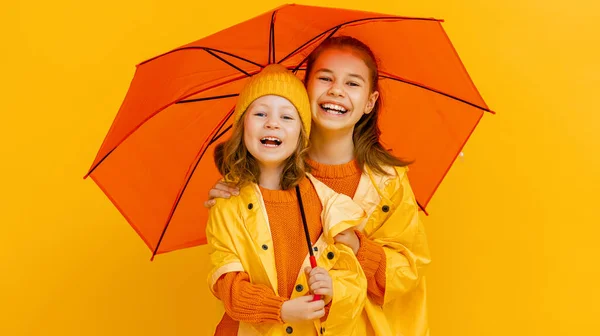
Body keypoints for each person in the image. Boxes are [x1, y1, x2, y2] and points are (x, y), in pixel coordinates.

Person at [206, 37, 432, 336]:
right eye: (325, 78)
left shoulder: (387, 181)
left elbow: (408, 269)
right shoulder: (266, 169)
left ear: (370, 102)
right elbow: (233, 266)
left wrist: (354, 244)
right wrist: (233, 192)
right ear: (305, 89)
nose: (336, 90)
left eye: (352, 83)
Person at [206, 64, 368, 336]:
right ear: (242, 127)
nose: (272, 123)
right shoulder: (226, 205)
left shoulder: (327, 202)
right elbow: (228, 286)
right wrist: (279, 310)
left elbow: (352, 277)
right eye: (259, 113)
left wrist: (333, 290)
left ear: (301, 135)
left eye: (287, 117)